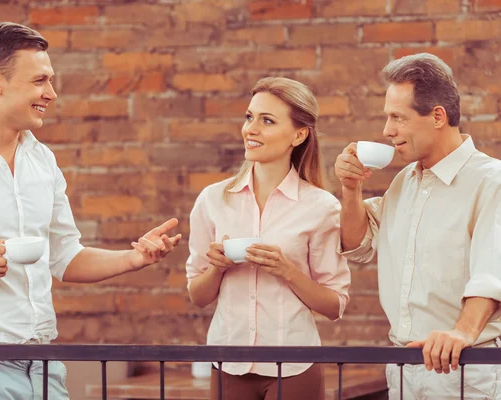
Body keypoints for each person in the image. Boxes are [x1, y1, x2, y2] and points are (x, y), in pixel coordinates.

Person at [0, 22, 181, 400]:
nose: (51, 93)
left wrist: (134, 259)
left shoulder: (43, 161)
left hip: (44, 367)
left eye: (50, 81)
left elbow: (66, 257)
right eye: (39, 81)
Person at [335, 53, 501, 399]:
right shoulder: (403, 183)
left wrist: (462, 333)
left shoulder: (491, 182)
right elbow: (358, 246)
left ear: (437, 116)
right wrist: (351, 190)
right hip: (404, 369)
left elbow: (493, 270)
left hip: (465, 368)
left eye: (398, 117)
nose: (387, 130)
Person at [186, 77, 351, 400]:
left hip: (294, 367)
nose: (251, 129)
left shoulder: (321, 207)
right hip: (228, 363)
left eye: (267, 120)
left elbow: (334, 305)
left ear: (299, 134)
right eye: (249, 117)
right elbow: (198, 295)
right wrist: (216, 269)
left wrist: (287, 270)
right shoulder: (213, 199)